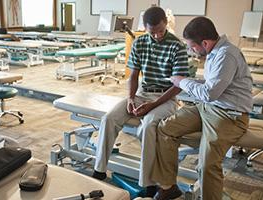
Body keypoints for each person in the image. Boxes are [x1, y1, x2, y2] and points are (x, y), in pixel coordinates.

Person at [150, 16, 253, 200]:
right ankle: (169, 186)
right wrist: (188, 82)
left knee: (206, 166)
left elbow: (209, 93)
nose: (190, 50)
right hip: (209, 107)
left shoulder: (226, 55)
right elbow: (210, 85)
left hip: (230, 115)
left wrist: (183, 81)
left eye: (192, 46)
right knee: (165, 128)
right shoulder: (215, 52)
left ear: (205, 42)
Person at [91, 6, 190, 196]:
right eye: (152, 32)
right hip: (142, 93)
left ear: (166, 24)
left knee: (148, 126)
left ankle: (149, 183)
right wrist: (130, 98)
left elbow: (178, 86)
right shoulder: (139, 42)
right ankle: (100, 170)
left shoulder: (177, 46)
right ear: (145, 28)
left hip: (166, 97)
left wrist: (152, 105)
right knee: (109, 118)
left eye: (161, 31)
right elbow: (134, 75)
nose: (158, 35)